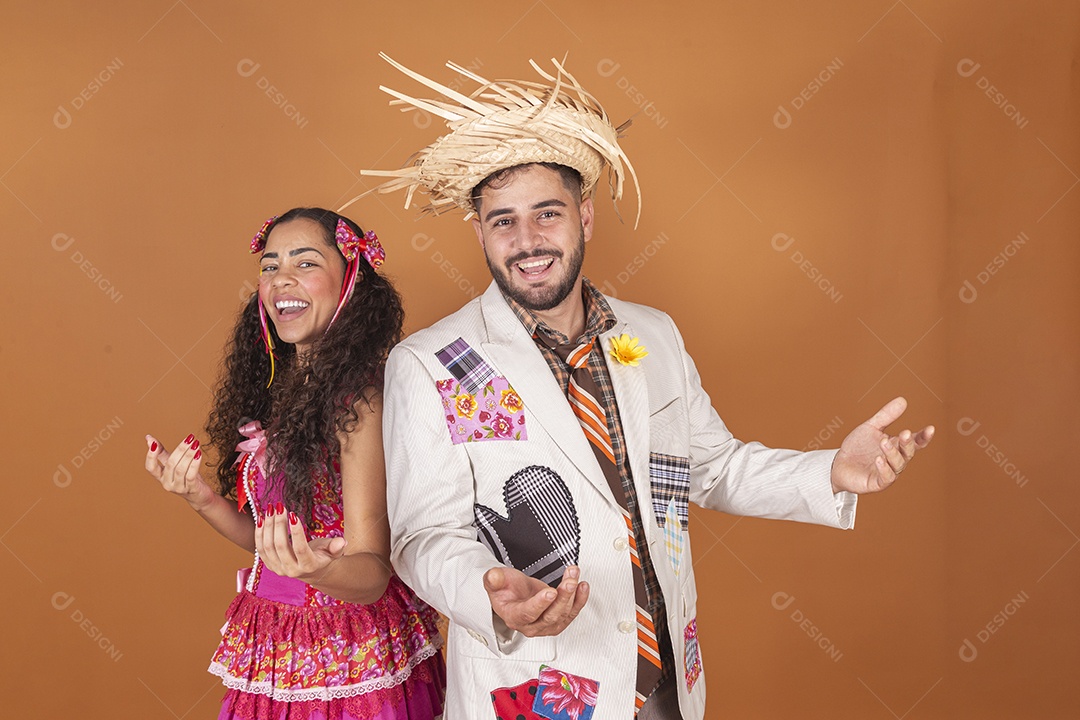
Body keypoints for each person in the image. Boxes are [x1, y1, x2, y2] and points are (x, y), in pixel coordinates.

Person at [360, 57, 934, 719]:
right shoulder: (434, 361)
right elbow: (423, 535)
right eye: (503, 221)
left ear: (585, 216)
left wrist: (831, 471)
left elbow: (713, 468)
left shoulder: (651, 335)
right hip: (538, 686)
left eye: (546, 215)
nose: (527, 241)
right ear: (480, 231)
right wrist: (486, 593)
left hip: (665, 686)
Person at [143, 208, 445, 720]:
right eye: (269, 265)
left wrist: (319, 571)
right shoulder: (283, 390)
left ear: (350, 279)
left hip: (345, 654)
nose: (280, 277)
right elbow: (272, 543)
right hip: (274, 639)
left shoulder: (359, 400)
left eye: (305, 263)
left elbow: (372, 571)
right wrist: (202, 499)